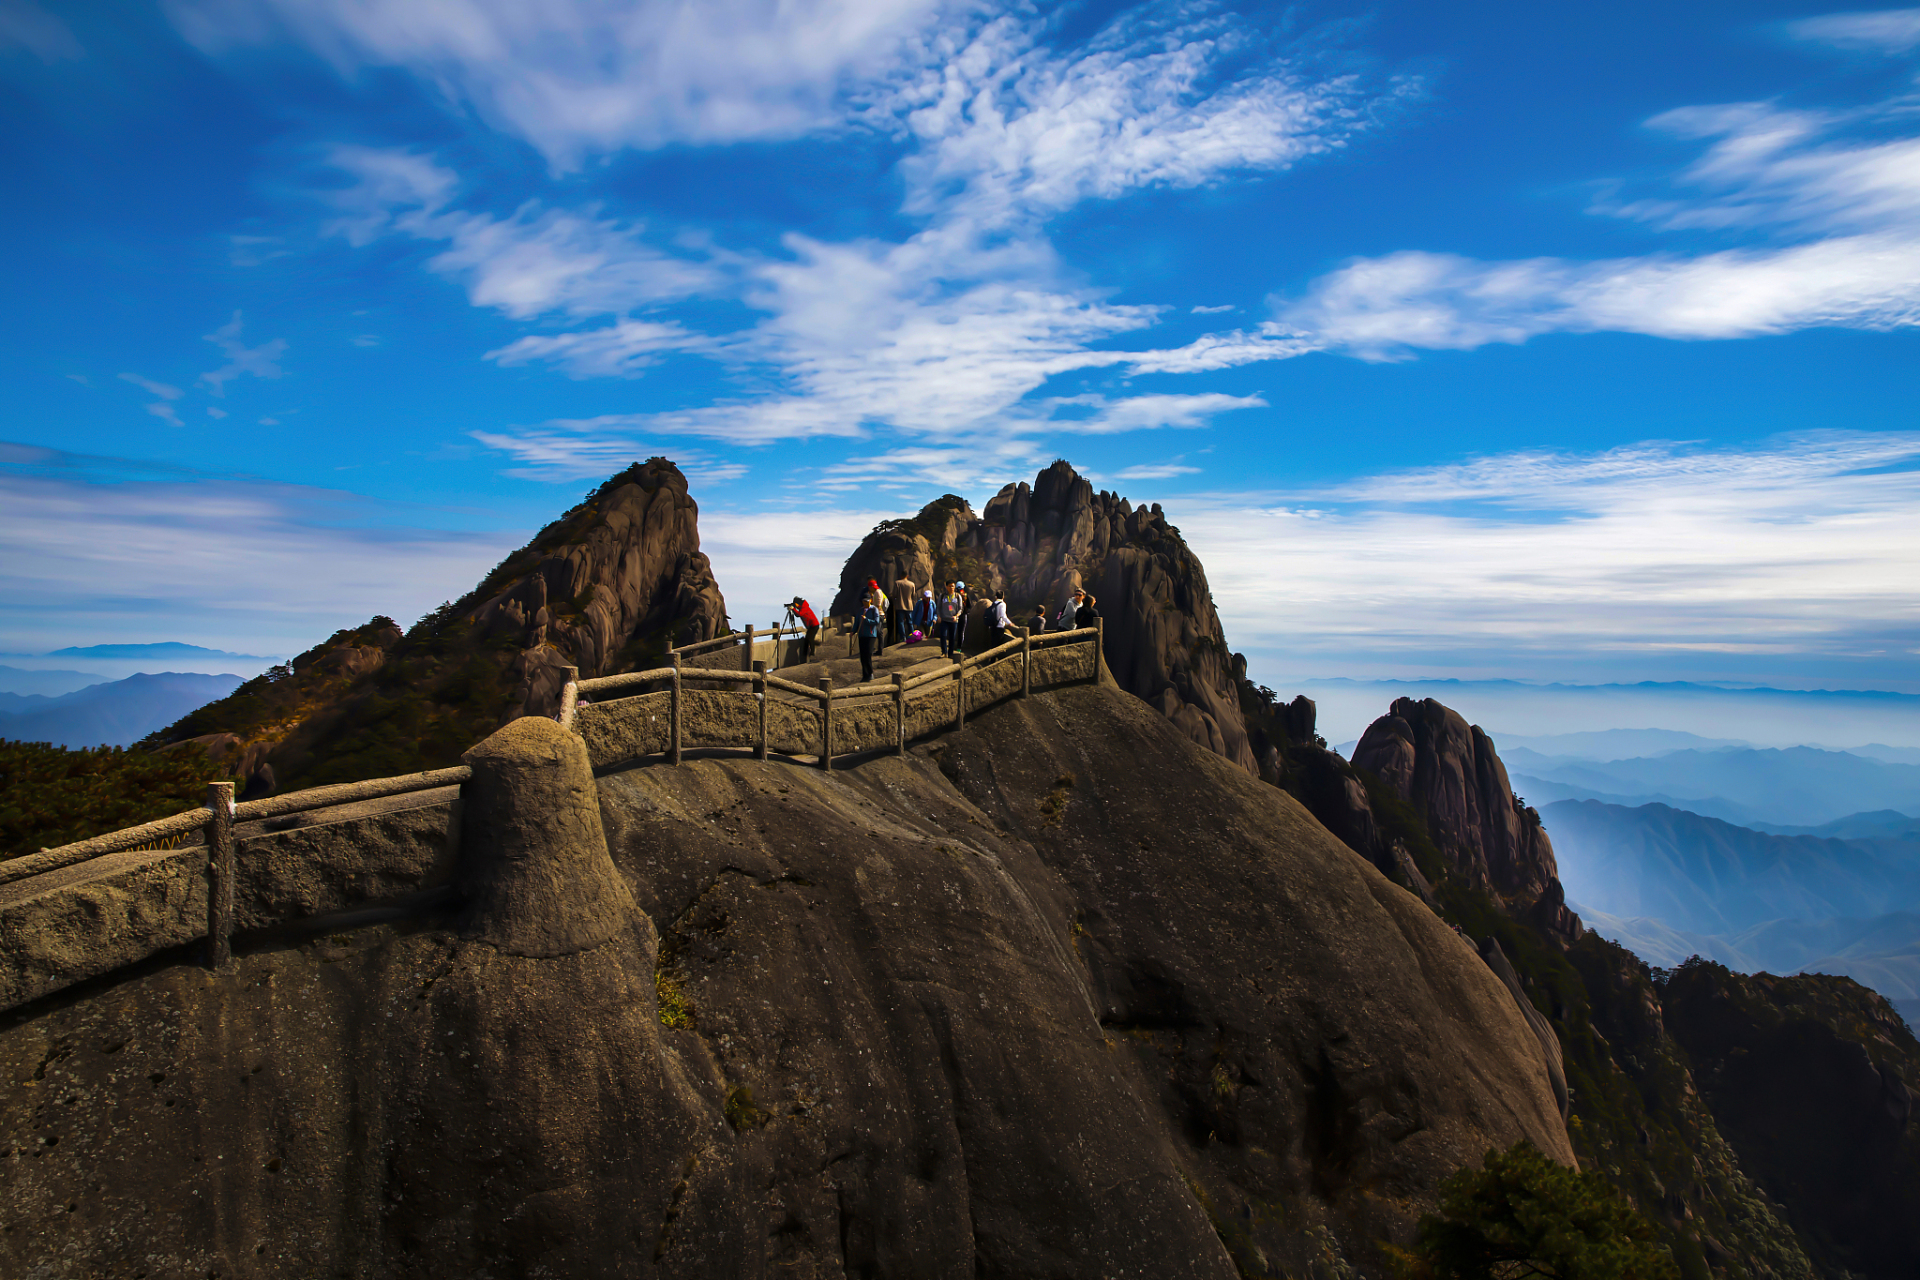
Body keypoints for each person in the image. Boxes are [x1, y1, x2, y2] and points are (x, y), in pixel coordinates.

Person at [786, 596, 819, 664]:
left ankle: (812, 654)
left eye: (795, 604)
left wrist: (793, 609)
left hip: (814, 625)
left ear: (798, 603)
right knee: (808, 640)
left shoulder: (804, 608)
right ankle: (806, 656)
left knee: (810, 639)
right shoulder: (803, 607)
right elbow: (798, 615)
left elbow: (799, 614)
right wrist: (792, 609)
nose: (796, 606)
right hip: (811, 626)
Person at [858, 598, 883, 683]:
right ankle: (865, 675)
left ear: (870, 601)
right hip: (861, 635)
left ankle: (870, 673)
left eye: (867, 601)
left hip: (871, 635)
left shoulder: (874, 609)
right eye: (864, 601)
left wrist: (866, 620)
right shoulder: (861, 610)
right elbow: (857, 621)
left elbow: (876, 621)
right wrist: (853, 631)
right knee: (862, 656)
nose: (865, 603)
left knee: (868, 654)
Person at [936, 582, 961, 658]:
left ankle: (950, 653)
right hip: (944, 619)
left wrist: (956, 616)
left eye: (953, 586)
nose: (951, 588)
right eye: (949, 586)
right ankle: (944, 652)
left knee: (952, 637)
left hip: (953, 620)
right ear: (946, 587)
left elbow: (960, 608)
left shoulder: (957, 596)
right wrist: (939, 616)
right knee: (943, 636)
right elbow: (938, 607)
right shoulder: (942, 596)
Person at [865, 578, 890, 654]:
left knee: (879, 632)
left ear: (871, 587)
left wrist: (872, 607)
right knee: (878, 632)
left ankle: (880, 649)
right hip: (879, 614)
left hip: (879, 614)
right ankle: (878, 649)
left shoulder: (878, 592)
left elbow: (878, 604)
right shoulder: (877, 592)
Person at [894, 577, 917, 643]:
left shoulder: (897, 583)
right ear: (907, 576)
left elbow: (895, 594)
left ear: (901, 576)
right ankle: (912, 636)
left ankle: (903, 637)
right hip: (909, 606)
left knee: (901, 622)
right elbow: (913, 595)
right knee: (910, 622)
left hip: (900, 605)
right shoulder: (912, 584)